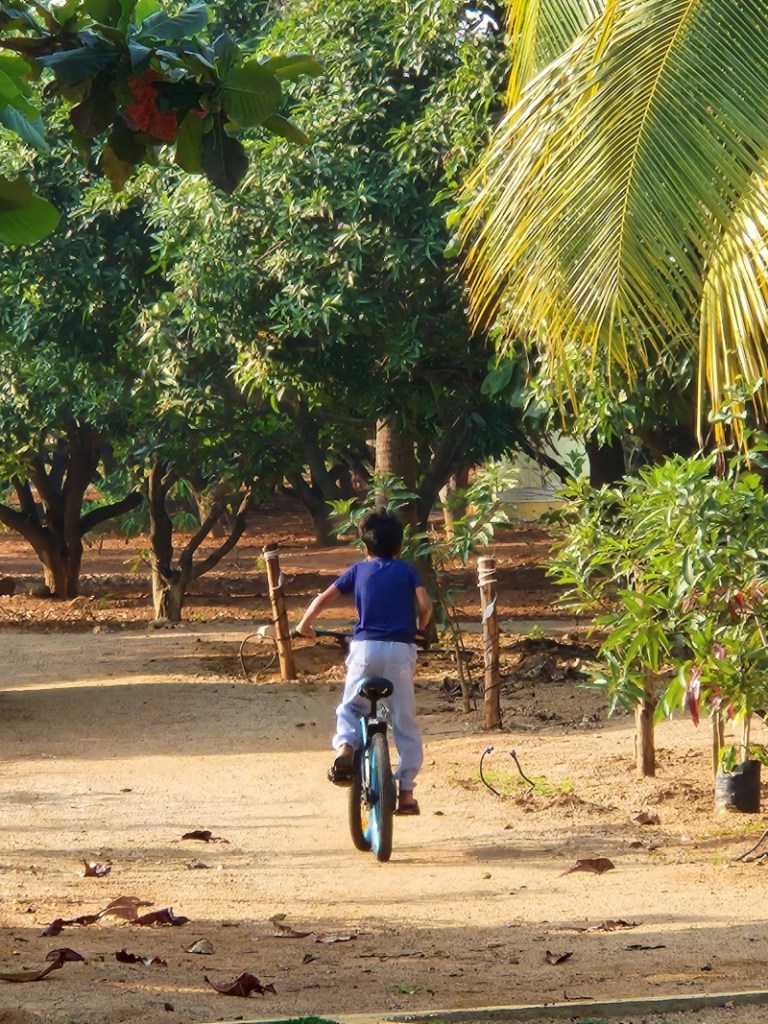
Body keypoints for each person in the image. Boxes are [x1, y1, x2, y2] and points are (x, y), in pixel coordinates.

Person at [295, 508, 432, 815]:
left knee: (351, 707)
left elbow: (322, 599)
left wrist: (305, 627)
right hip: (399, 650)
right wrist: (419, 630)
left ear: (366, 547)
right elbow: (425, 604)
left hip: (365, 649)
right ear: (399, 547)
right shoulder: (407, 570)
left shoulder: (357, 570)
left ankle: (345, 746)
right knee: (404, 719)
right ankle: (406, 793)